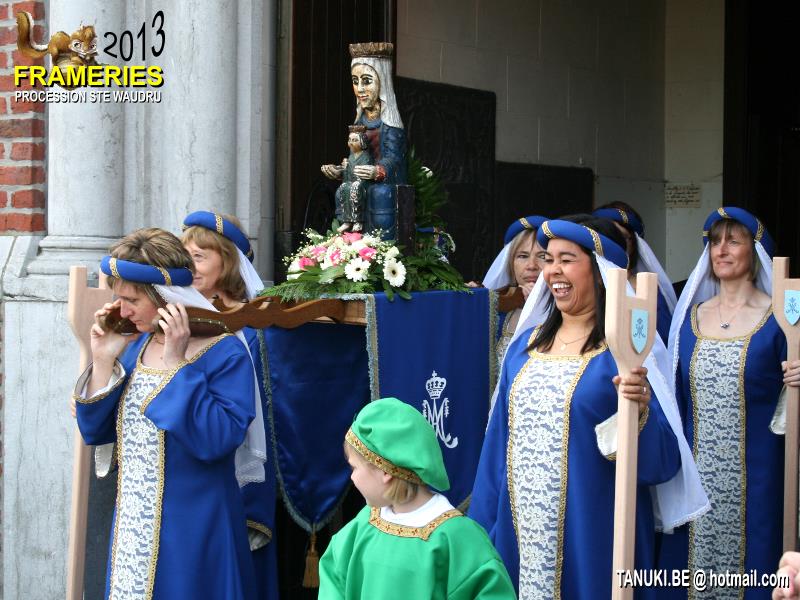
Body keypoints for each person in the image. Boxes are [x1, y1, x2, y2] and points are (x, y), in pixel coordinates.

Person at [469, 215, 708, 599]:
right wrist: (480, 529)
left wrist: (640, 411)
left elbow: (663, 462)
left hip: (594, 534)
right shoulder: (524, 348)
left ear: (599, 273)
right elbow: (498, 446)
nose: (552, 270)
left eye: (567, 259)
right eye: (549, 259)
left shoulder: (622, 353)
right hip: (521, 531)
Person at [73, 228, 264, 599]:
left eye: (131, 300)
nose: (122, 310)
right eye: (119, 298)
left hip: (195, 530)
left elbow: (217, 442)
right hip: (132, 521)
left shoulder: (225, 353)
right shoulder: (136, 346)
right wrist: (102, 358)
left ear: (165, 298)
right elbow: (94, 432)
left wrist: (178, 367)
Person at [658, 207, 800, 598]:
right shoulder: (690, 319)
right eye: (714, 241)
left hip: (759, 476)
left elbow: (788, 408)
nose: (721, 249)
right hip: (696, 475)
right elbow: (675, 401)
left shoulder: (781, 321)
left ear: (755, 252)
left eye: (733, 240)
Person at [318, 397, 517, 599]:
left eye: (354, 468)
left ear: (384, 471)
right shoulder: (362, 527)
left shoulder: (458, 539)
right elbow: (334, 582)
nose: (352, 477)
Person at [181, 210, 279, 600]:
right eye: (184, 254)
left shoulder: (251, 325)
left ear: (229, 261)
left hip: (233, 454)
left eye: (200, 256)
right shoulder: (181, 312)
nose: (189, 265)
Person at [321, 42, 406, 239]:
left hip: (383, 183)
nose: (359, 89)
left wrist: (377, 170)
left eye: (367, 81)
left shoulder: (390, 123)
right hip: (361, 180)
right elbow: (357, 155)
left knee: (379, 194)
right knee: (344, 189)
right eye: (355, 81)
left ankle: (379, 248)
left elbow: (395, 159)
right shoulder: (359, 121)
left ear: (381, 82)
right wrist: (342, 170)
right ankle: (351, 235)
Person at [593, 201, 677, 342]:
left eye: (621, 236)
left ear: (634, 244)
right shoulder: (580, 285)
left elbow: (656, 343)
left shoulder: (645, 289)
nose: (614, 243)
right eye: (606, 236)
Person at [481, 215, 548, 391]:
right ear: (511, 264)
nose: (531, 265)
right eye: (522, 256)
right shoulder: (497, 313)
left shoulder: (570, 312)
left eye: (542, 256)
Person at [322, 126, 373, 233]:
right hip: (351, 182)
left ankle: (358, 220)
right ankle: (347, 221)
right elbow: (347, 175)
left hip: (362, 183)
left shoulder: (366, 157)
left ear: (362, 142)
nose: (351, 142)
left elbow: (364, 174)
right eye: (350, 140)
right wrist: (343, 168)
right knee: (343, 187)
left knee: (355, 188)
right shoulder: (350, 157)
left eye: (354, 140)